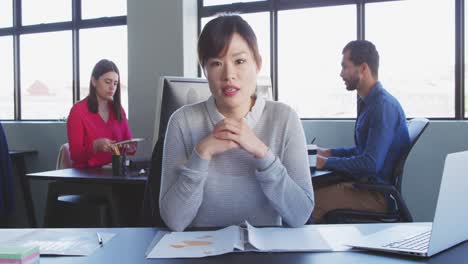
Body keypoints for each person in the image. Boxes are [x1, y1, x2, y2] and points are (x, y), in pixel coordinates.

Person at [159, 14, 314, 231]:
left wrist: (262, 153)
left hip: (265, 254)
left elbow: (300, 215)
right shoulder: (182, 121)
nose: (229, 74)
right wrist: (201, 154)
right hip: (199, 251)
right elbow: (174, 221)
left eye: (239, 61)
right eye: (216, 63)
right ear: (205, 70)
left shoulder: (284, 118)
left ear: (258, 64)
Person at [313, 40, 410, 223]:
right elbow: (363, 151)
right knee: (304, 195)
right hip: (365, 186)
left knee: (305, 203)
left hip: (375, 196)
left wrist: (325, 163)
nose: (341, 73)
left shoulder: (382, 107)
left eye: (345, 67)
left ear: (363, 68)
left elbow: (369, 164)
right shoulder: (370, 103)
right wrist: (328, 153)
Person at [67, 59, 136, 168]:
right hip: (87, 176)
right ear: (94, 81)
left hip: (113, 172)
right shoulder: (78, 111)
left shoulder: (118, 110)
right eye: (107, 82)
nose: (112, 87)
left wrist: (131, 147)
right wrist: (95, 146)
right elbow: (75, 155)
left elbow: (128, 144)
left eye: (115, 83)